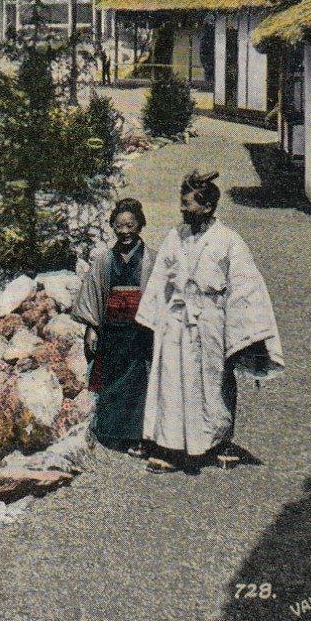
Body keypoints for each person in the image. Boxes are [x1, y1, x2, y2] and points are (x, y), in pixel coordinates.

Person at [136, 170, 284, 473]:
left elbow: (245, 288)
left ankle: (218, 441)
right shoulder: (174, 237)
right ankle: (170, 446)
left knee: (213, 381)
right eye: (181, 203)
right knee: (173, 381)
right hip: (176, 321)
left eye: (187, 204)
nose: (181, 209)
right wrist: (150, 321)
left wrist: (246, 335)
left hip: (211, 321)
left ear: (207, 207)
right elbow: (159, 279)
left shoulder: (229, 241)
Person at [72, 198, 158, 455]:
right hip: (112, 329)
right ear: (112, 227)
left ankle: (137, 435)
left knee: (138, 382)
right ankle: (111, 430)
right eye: (119, 226)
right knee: (110, 377)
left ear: (140, 225)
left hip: (141, 331)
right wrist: (92, 327)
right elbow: (93, 294)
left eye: (130, 225)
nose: (124, 232)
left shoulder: (152, 260)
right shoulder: (104, 260)